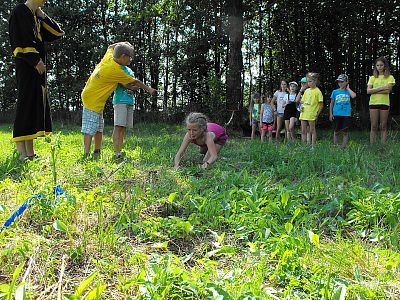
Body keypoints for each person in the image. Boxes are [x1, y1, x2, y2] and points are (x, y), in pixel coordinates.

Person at [8, 0, 64, 160]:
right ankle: (21, 154)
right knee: (26, 106)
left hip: (37, 70)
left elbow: (57, 33)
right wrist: (36, 61)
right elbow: (19, 42)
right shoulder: (20, 11)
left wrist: (42, 15)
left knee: (33, 108)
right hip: (27, 67)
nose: (47, 1)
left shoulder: (35, 15)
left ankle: (30, 153)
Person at [81, 42, 157, 157]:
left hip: (95, 98)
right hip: (92, 99)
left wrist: (124, 44)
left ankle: (97, 151)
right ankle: (86, 154)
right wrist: (149, 89)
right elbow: (135, 81)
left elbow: (110, 47)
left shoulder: (110, 57)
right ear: (122, 57)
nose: (130, 61)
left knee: (99, 127)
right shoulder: (115, 70)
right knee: (90, 127)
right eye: (129, 58)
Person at [112, 67, 139, 161]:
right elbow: (122, 82)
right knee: (118, 126)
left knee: (123, 128)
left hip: (130, 101)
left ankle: (120, 151)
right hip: (120, 101)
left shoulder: (130, 70)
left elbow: (134, 83)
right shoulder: (117, 68)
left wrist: (133, 86)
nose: (130, 58)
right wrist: (131, 86)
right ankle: (116, 153)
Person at [367, 57, 396, 144]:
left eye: (381, 65)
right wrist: (382, 88)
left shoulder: (390, 77)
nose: (379, 67)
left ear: (385, 66)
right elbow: (368, 91)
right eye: (377, 65)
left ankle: (383, 145)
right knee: (374, 125)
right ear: (375, 66)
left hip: (384, 103)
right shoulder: (372, 77)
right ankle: (372, 145)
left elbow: (388, 91)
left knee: (383, 126)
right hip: (373, 103)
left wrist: (375, 90)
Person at [329, 74, 356, 146]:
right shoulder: (335, 92)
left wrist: (348, 89)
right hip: (336, 114)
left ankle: (344, 147)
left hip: (346, 114)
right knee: (336, 131)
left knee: (345, 131)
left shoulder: (348, 91)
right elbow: (331, 103)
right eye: (339, 82)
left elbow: (353, 96)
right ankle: (335, 145)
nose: (340, 83)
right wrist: (331, 114)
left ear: (347, 82)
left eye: (342, 82)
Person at [298, 73, 323, 146]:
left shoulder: (318, 91)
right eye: (308, 81)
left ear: (315, 81)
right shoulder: (306, 91)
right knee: (303, 130)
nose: (308, 83)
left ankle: (313, 146)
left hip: (312, 114)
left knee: (312, 130)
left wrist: (317, 114)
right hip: (303, 113)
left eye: (310, 81)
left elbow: (321, 105)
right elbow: (302, 102)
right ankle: (304, 145)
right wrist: (301, 107)